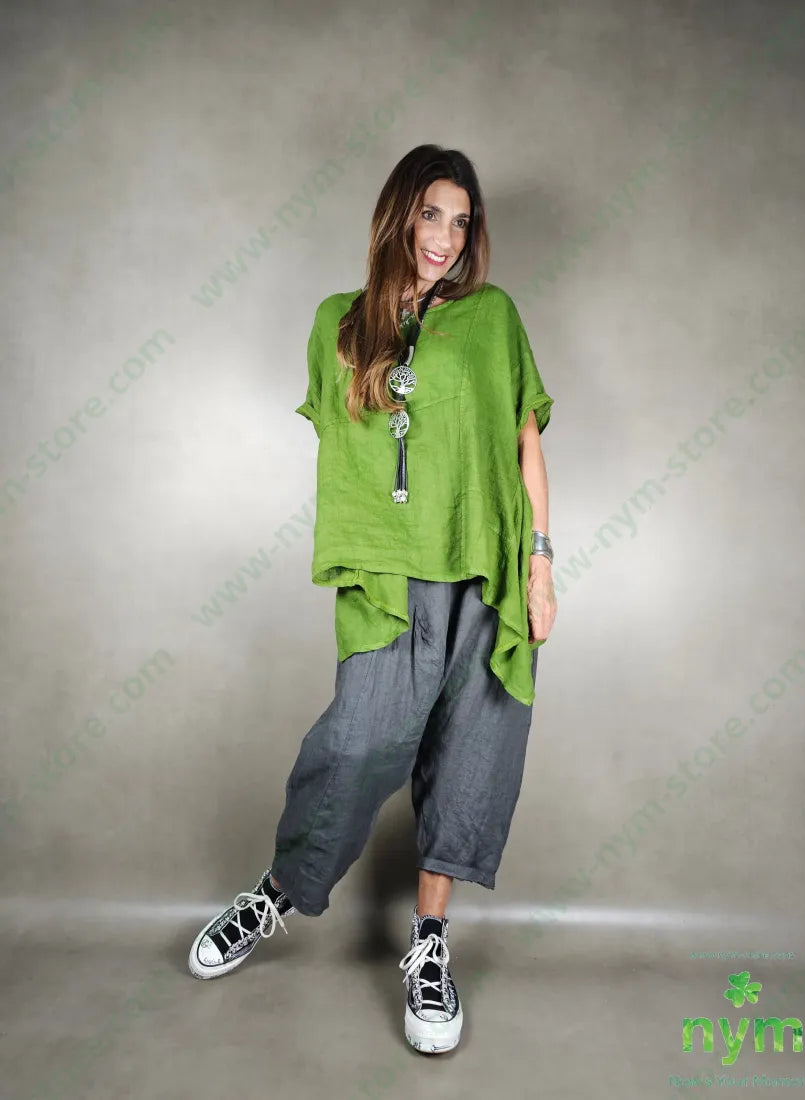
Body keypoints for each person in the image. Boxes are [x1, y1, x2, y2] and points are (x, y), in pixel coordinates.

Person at [188, 144, 558, 1055]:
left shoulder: (493, 316)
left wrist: (540, 564)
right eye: (431, 215)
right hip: (390, 576)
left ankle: (428, 945)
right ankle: (276, 891)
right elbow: (349, 449)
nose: (445, 238)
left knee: (472, 756)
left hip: (485, 568)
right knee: (357, 742)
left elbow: (523, 441)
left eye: (461, 222)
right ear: (399, 216)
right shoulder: (340, 323)